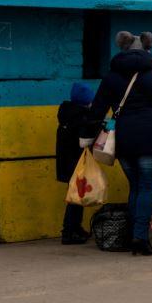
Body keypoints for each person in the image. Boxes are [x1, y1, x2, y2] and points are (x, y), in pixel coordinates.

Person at [81, 31, 152, 256]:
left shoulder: (111, 77)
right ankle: (140, 237)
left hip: (124, 140)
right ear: (148, 48)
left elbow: (97, 109)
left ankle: (132, 235)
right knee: (147, 187)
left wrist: (87, 137)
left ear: (123, 48)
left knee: (136, 186)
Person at [56, 82, 95, 244]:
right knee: (75, 199)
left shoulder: (67, 115)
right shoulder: (81, 118)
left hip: (67, 163)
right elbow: (85, 139)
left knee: (76, 197)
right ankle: (69, 231)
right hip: (76, 164)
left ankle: (75, 228)